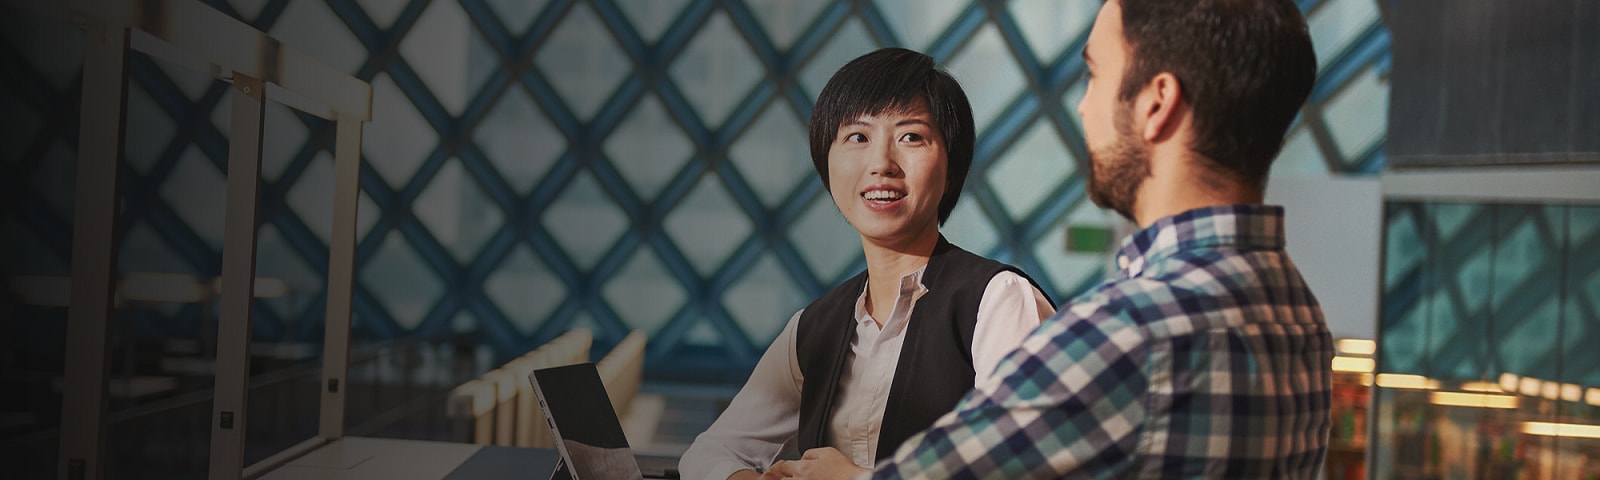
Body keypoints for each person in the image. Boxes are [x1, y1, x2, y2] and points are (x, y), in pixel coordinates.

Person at [765, 0, 1331, 478]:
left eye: (1095, 75)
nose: (1083, 106)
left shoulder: (1129, 333)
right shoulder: (1296, 310)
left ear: (1156, 104)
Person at [678, 47, 1056, 480]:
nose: (882, 165)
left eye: (911, 137)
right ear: (827, 162)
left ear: (951, 167)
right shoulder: (813, 328)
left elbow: (1025, 467)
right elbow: (709, 452)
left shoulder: (996, 301)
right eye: (858, 137)